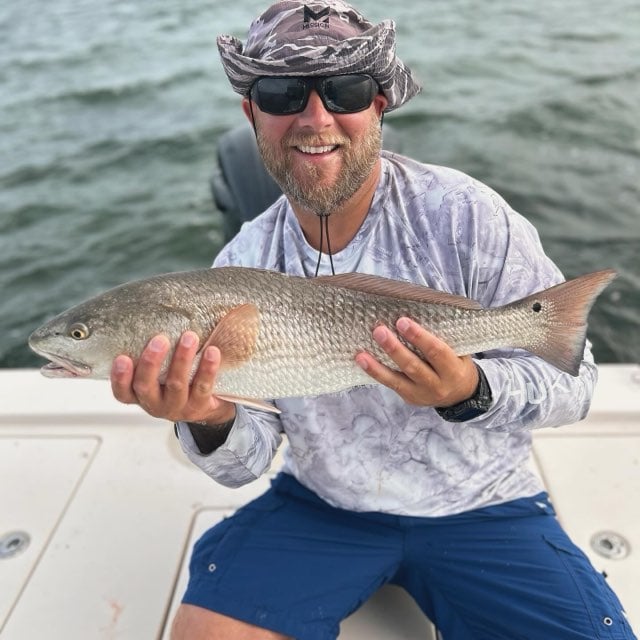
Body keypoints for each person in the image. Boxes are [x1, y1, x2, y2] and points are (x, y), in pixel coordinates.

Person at [110, 1, 636, 639]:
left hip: (482, 502)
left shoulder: (468, 216)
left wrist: (471, 390)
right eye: (281, 93)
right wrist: (208, 417)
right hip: (325, 503)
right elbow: (248, 463)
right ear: (252, 113)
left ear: (379, 103)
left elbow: (576, 386)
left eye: (345, 89)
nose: (315, 118)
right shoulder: (242, 260)